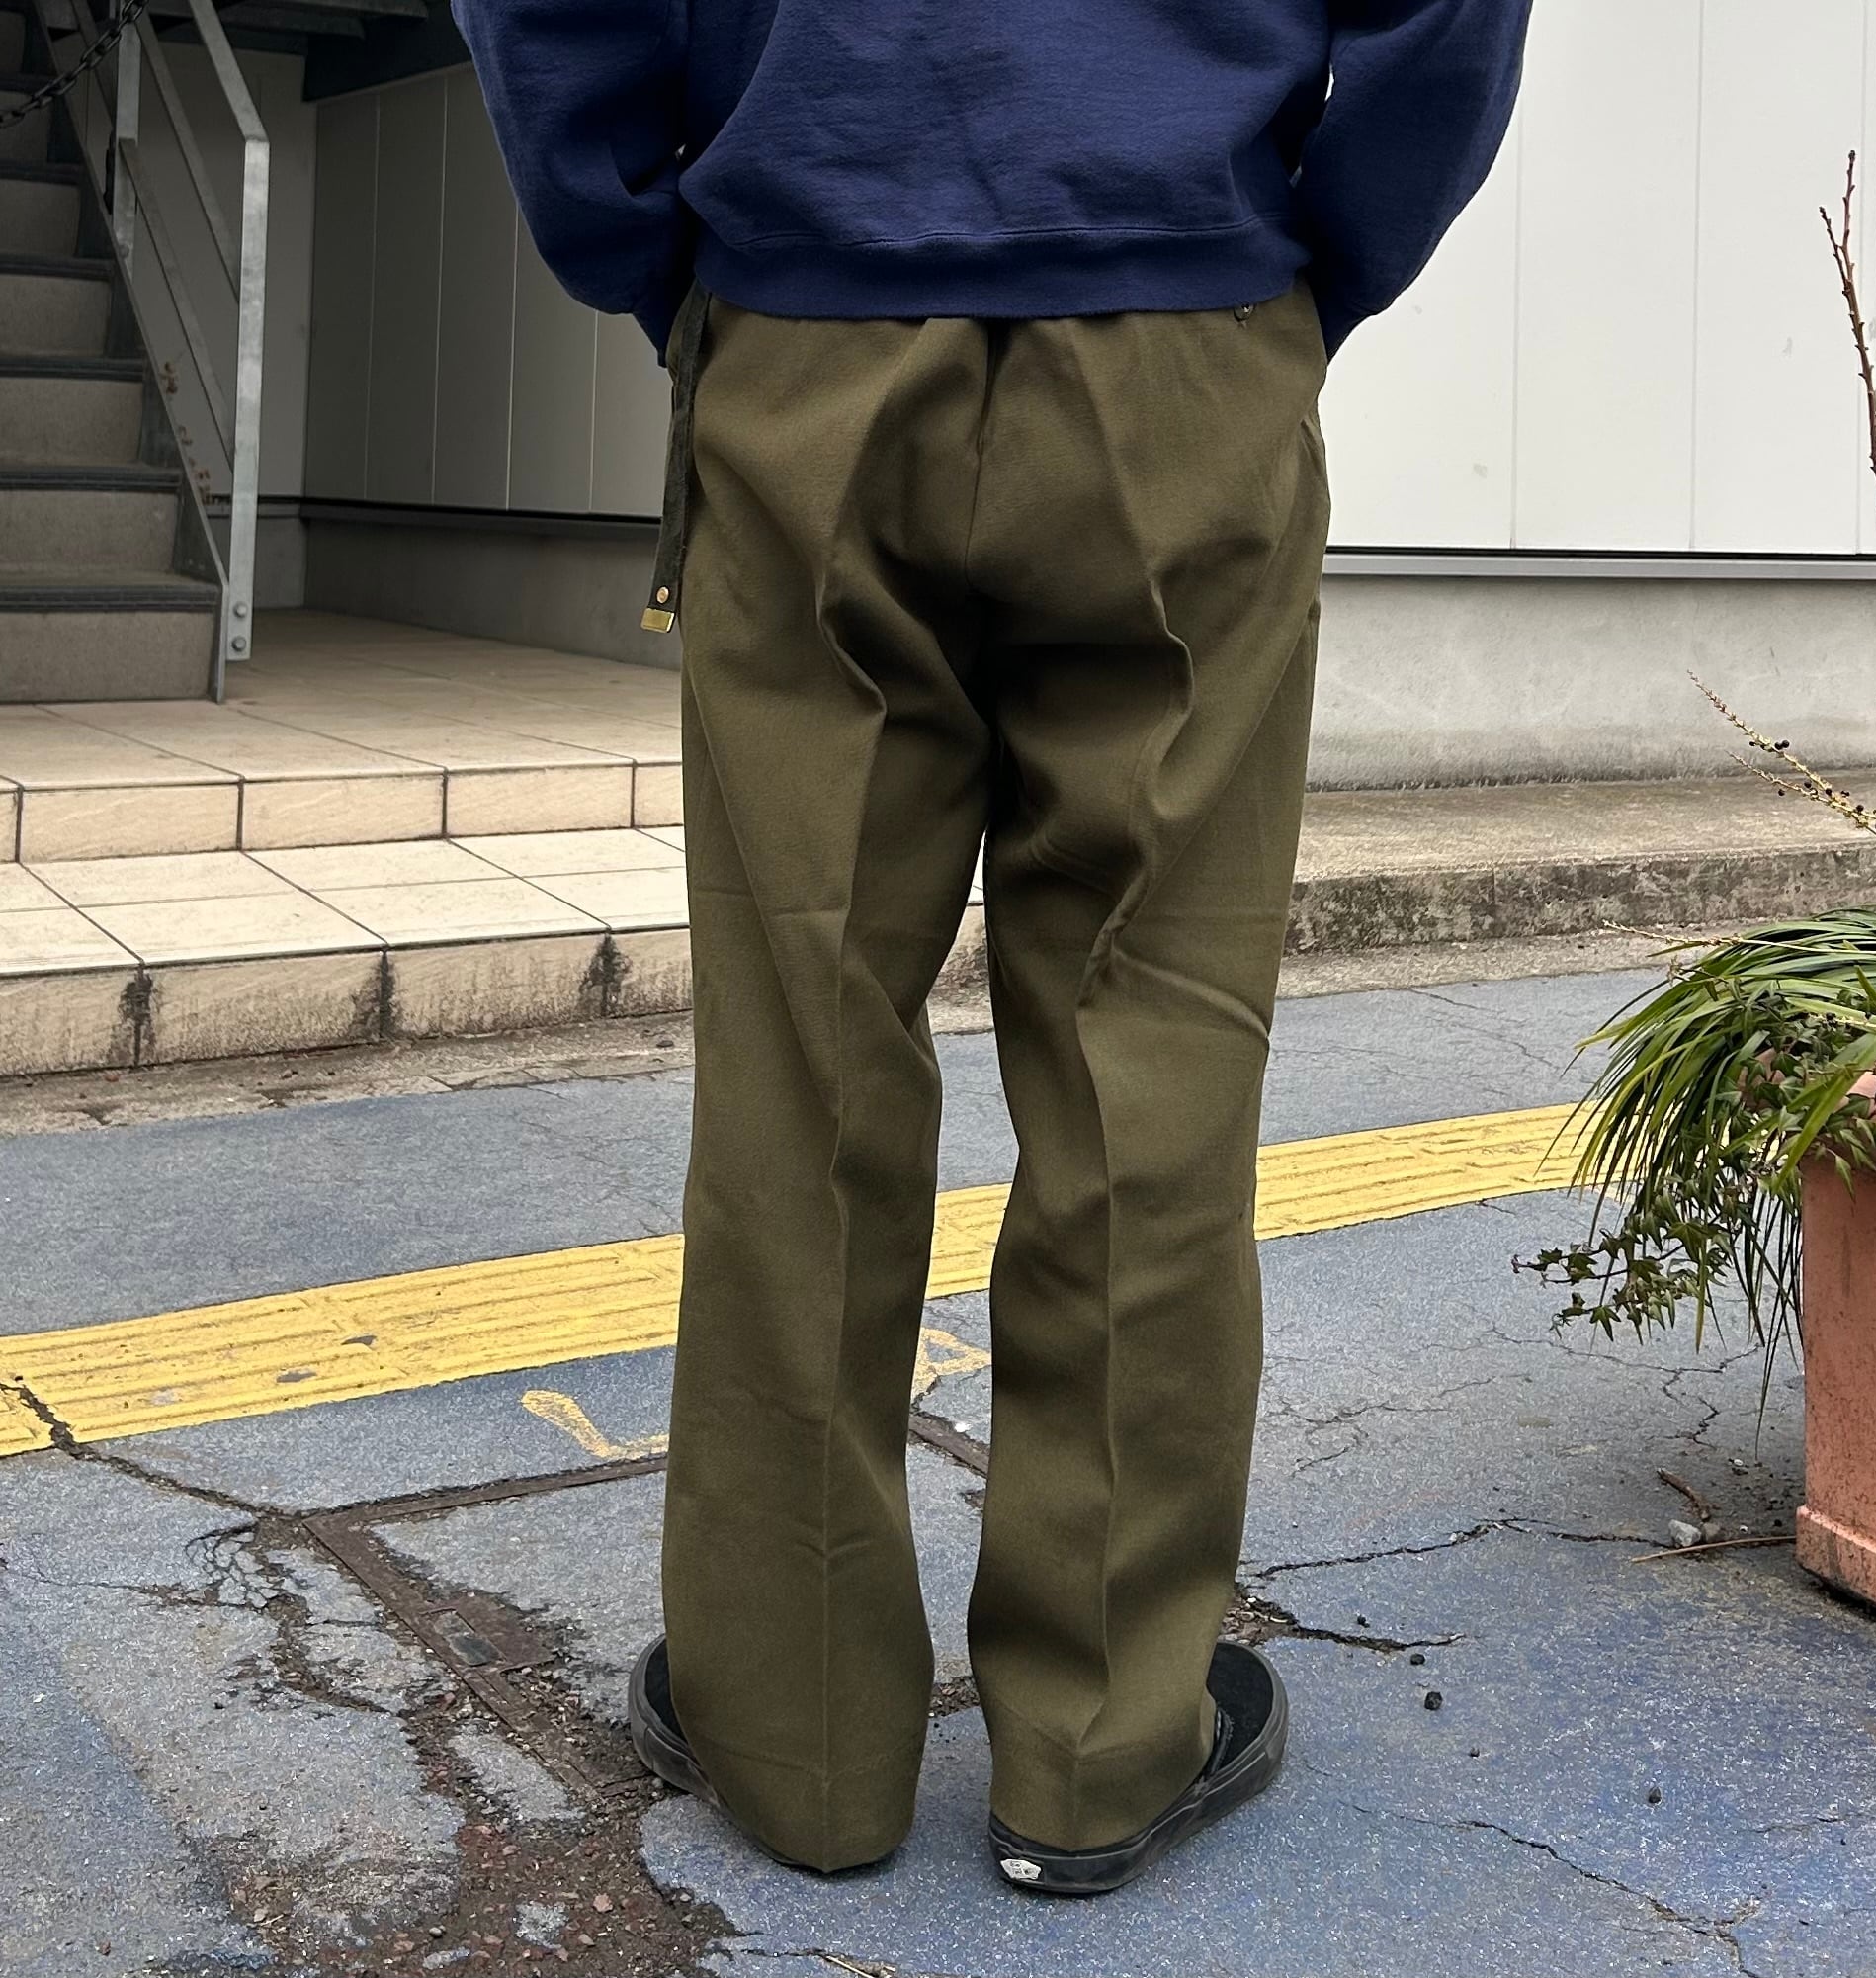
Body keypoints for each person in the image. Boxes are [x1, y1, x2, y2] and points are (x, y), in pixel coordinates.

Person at [456, 0, 1530, 1896]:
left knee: (800, 1061)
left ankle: (792, 1736)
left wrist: (660, 246)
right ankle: (1095, 1752)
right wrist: (1294, 267)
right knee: (1153, 1060)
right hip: (1187, 336)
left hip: (806, 331)